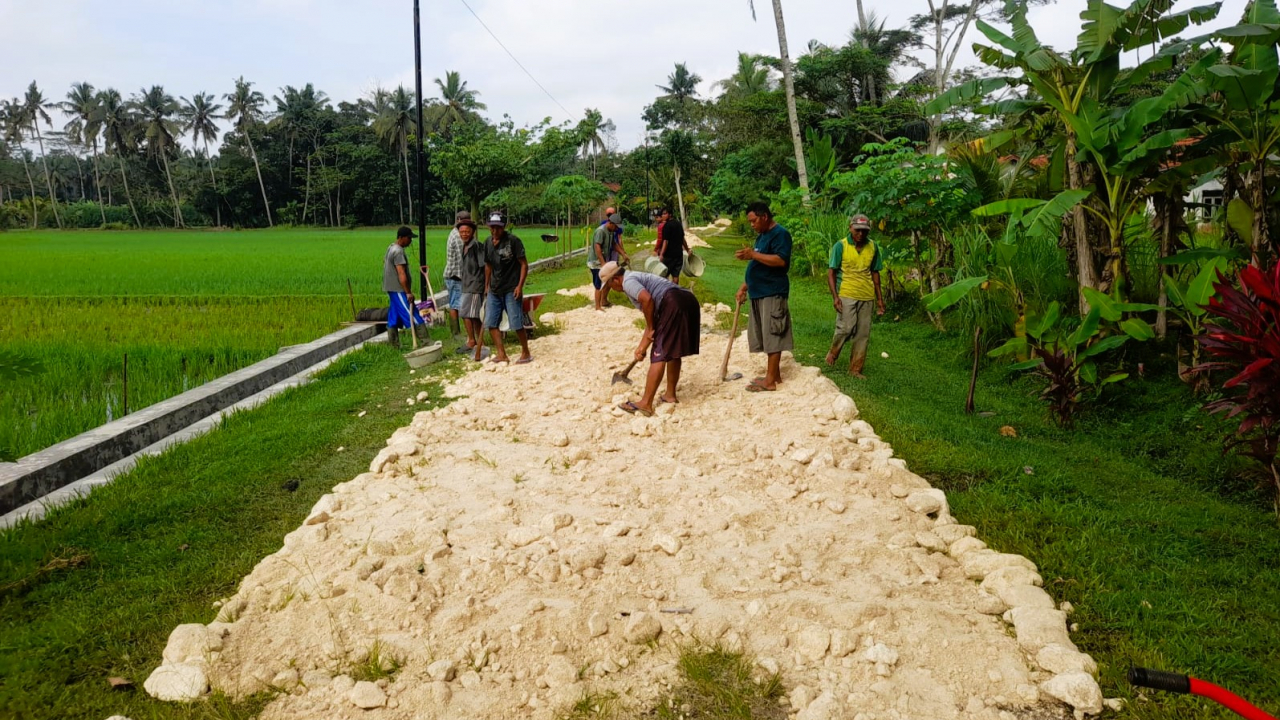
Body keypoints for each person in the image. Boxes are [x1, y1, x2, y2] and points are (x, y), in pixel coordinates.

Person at [599, 261, 700, 416]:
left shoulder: (628, 282)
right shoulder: (638, 278)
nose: (611, 289)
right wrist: (641, 347)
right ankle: (670, 395)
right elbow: (651, 318)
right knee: (673, 350)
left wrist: (652, 328)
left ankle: (646, 403)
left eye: (609, 285)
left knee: (659, 353)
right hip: (687, 300)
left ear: (616, 279)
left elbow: (647, 301)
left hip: (672, 301)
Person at [734, 201, 792, 392]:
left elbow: (780, 260)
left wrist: (753, 255)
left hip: (772, 292)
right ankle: (774, 375)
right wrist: (744, 287)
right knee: (765, 334)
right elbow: (757, 265)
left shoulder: (780, 234)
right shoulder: (762, 236)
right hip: (759, 291)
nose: (752, 225)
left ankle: (770, 381)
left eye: (753, 221)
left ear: (764, 217)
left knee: (773, 333)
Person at [826, 213, 886, 378]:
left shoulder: (873, 247)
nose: (861, 234)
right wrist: (835, 297)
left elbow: (875, 273)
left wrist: (880, 299)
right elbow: (831, 272)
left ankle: (855, 369)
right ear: (850, 228)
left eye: (864, 231)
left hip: (867, 295)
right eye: (857, 230)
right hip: (846, 292)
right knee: (846, 327)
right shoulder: (841, 246)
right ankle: (834, 351)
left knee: (862, 333)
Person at [483, 211, 533, 364]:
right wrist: (486, 286)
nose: (495, 231)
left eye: (498, 228)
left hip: (511, 288)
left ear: (503, 227)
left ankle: (525, 351)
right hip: (494, 289)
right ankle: (501, 353)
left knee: (516, 322)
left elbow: (524, 265)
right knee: (491, 322)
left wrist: (519, 286)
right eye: (492, 228)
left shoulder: (513, 241)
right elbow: (488, 266)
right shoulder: (487, 243)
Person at [383, 225, 429, 349]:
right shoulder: (398, 252)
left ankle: (394, 345)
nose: (410, 241)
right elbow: (401, 273)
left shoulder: (391, 248)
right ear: (401, 238)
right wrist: (408, 292)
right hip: (398, 289)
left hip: (391, 288)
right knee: (411, 313)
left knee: (393, 316)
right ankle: (425, 341)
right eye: (409, 238)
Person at [456, 217, 488, 362]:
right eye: (461, 231)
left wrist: (486, 285)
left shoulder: (477, 247)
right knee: (472, 315)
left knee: (467, 314)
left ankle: (472, 341)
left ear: (473, 232)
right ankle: (478, 341)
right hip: (466, 285)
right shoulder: (465, 246)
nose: (464, 234)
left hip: (475, 285)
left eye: (467, 231)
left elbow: (485, 267)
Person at [444, 210, 470, 350]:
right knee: (456, 305)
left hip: (456, 275)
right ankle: (456, 333)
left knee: (457, 304)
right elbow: (462, 260)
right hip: (455, 275)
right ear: (459, 220)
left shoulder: (456, 233)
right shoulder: (458, 237)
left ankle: (458, 332)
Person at [591, 213, 628, 310]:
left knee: (608, 280)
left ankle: (603, 301)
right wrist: (603, 264)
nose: (617, 229)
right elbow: (597, 248)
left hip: (605, 261)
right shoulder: (600, 231)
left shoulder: (611, 231)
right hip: (596, 262)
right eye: (616, 226)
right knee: (599, 284)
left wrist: (623, 254)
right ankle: (597, 307)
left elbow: (614, 244)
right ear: (611, 223)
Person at [654, 208, 689, 283]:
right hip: (679, 255)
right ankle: (675, 291)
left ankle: (666, 291)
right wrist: (687, 249)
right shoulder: (678, 223)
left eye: (664, 214)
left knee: (664, 274)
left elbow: (665, 241)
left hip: (669, 256)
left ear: (670, 214)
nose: (662, 216)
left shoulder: (667, 226)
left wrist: (662, 254)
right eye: (662, 214)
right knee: (675, 276)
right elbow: (683, 239)